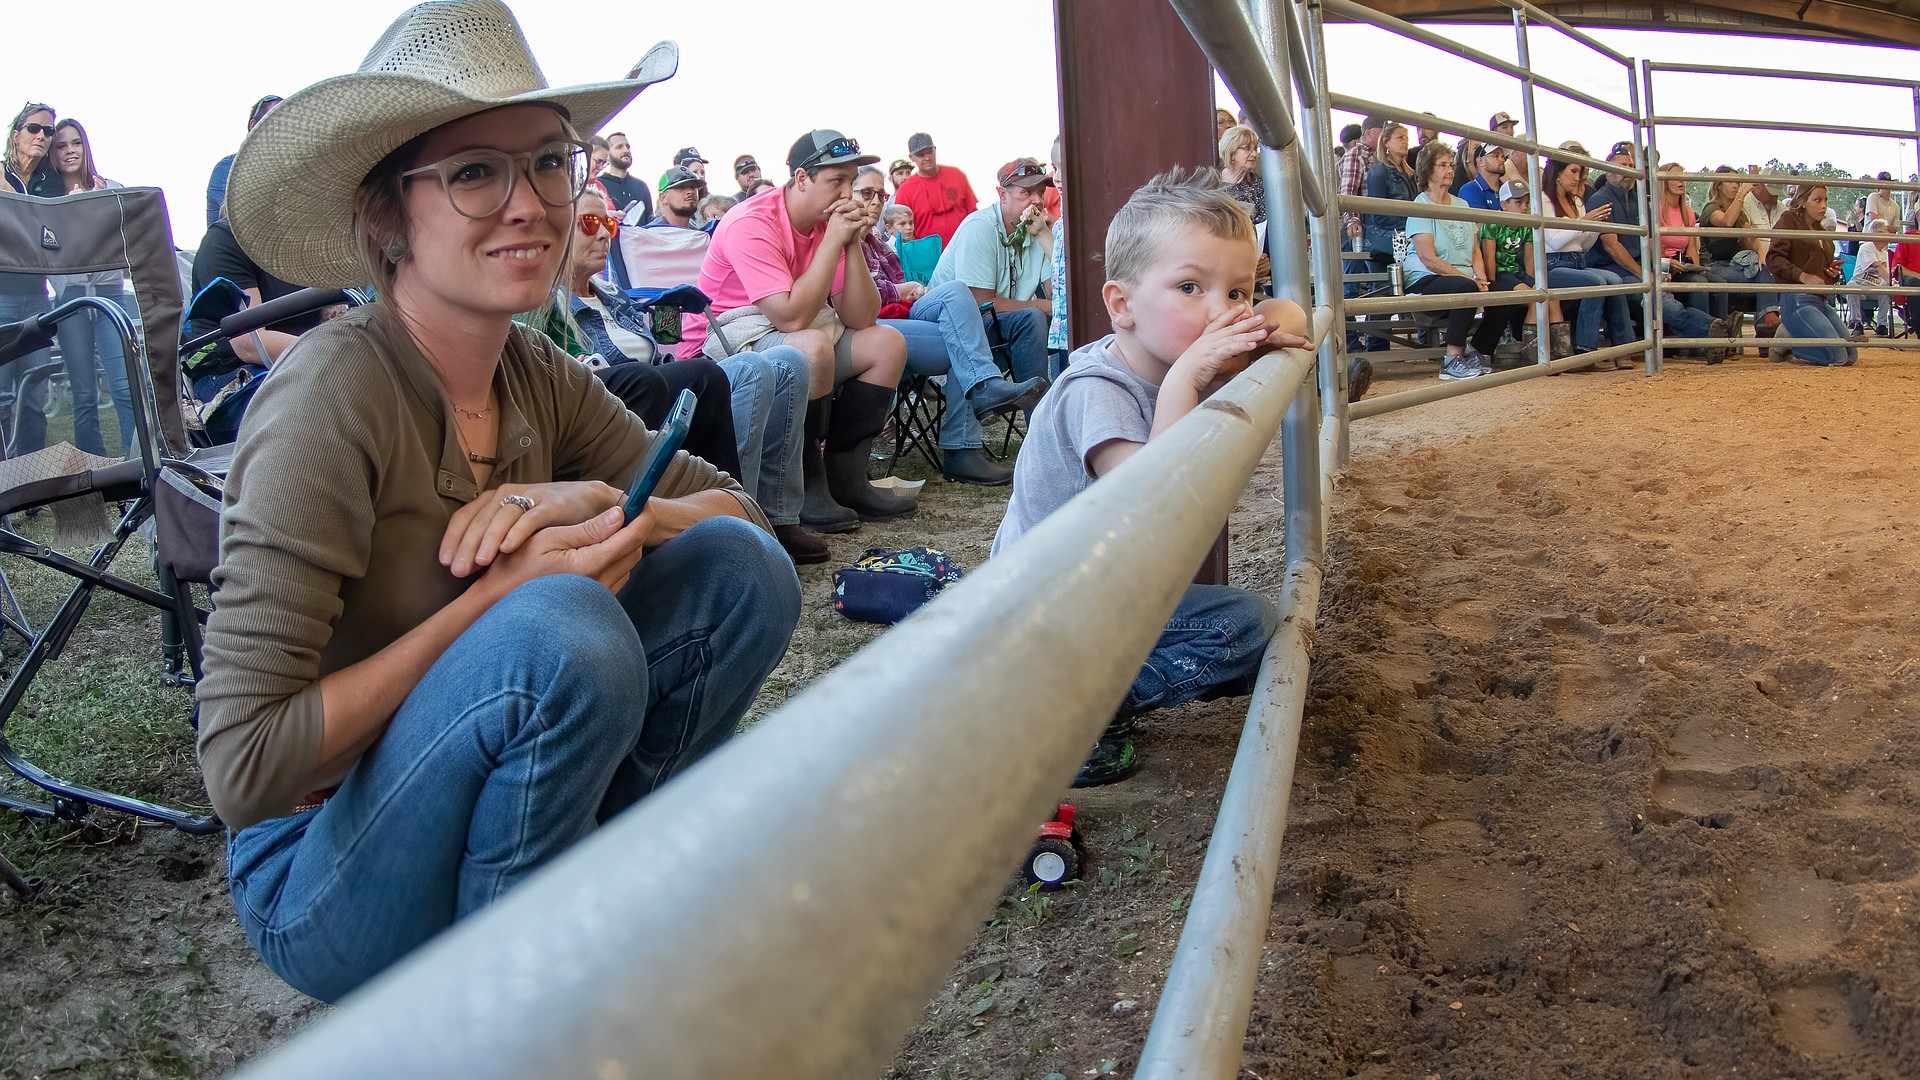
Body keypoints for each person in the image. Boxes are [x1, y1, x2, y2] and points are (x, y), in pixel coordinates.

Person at [201, 0, 801, 1004]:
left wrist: (621, 508)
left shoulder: (536, 372)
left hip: (492, 792)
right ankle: (516, 1014)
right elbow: (246, 769)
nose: (529, 202)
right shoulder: (330, 398)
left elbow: (740, 517)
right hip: (321, 866)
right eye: (475, 171)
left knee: (742, 573)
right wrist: (498, 598)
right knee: (559, 629)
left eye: (548, 161)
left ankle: (594, 910)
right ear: (389, 214)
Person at [993, 168, 1306, 786]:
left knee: (1252, 630)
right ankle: (1069, 712)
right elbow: (1152, 500)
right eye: (1191, 287)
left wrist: (1259, 322)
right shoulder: (1096, 389)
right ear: (1121, 305)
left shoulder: (1164, 353)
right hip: (1044, 614)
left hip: (1105, 597)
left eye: (1238, 292)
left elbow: (1290, 310)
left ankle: (1085, 690)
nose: (1222, 311)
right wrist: (1191, 378)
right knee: (1236, 630)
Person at [681, 128, 915, 529]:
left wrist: (852, 244)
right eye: (836, 181)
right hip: (723, 339)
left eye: (850, 182)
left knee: (887, 345)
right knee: (812, 346)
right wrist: (832, 244)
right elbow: (789, 317)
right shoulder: (750, 221)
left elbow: (862, 318)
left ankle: (846, 480)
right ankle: (807, 487)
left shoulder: (828, 222)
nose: (847, 195)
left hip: (788, 329)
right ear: (802, 179)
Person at [851, 166, 1045, 486]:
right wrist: (901, 289)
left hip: (904, 317)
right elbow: (855, 300)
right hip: (869, 326)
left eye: (881, 195)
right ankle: (964, 440)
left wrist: (910, 290)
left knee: (959, 308)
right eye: (865, 193)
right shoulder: (840, 241)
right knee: (961, 325)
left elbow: (900, 293)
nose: (875, 202)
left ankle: (984, 421)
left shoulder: (880, 247)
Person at [47, 119, 139, 457]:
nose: (70, 151)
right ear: (53, 154)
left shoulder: (112, 188)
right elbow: (52, 255)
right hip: (69, 300)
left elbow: (127, 241)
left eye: (76, 143)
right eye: (61, 146)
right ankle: (94, 469)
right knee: (84, 394)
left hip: (110, 293)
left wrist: (98, 205)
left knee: (123, 386)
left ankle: (138, 469)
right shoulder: (48, 200)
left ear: (86, 148)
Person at [928, 158, 1055, 385]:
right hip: (955, 332)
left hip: (1002, 325)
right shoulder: (981, 227)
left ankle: (1070, 403)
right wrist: (1041, 305)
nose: (1037, 200)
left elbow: (1058, 293)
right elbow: (980, 305)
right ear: (1002, 194)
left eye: (1040, 192)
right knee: (1035, 317)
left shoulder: (1037, 229)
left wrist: (1049, 237)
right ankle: (1036, 411)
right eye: (1026, 193)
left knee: (1065, 321)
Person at [1402, 141, 1521, 380]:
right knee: (1465, 288)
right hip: (1427, 277)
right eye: (1442, 165)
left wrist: (1481, 277)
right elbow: (1428, 257)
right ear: (1428, 170)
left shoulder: (1462, 205)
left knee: (1505, 293)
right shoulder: (1420, 205)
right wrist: (1468, 279)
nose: (1449, 170)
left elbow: (1475, 249)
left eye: (1451, 165)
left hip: (1464, 275)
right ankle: (1451, 359)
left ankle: (1477, 350)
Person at [3, 102, 60, 456]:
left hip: (38, 297)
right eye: (34, 129)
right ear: (16, 133)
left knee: (34, 396)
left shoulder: (50, 183)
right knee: (2, 397)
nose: (42, 136)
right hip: (2, 296)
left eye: (48, 131)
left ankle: (30, 481)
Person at [1542, 155, 1637, 368]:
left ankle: (1623, 347)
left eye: (1580, 173)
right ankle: (1586, 350)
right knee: (1597, 282)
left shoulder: (1576, 202)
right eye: (1573, 172)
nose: (1578, 178)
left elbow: (1582, 245)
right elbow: (1554, 241)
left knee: (1614, 280)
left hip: (1577, 261)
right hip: (1553, 264)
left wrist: (1594, 228)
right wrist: (1585, 222)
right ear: (1558, 174)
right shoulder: (1544, 201)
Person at [1765, 184, 1856, 366]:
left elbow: (1823, 275)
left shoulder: (1822, 233)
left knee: (1851, 355)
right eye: (1817, 200)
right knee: (1837, 357)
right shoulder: (1789, 220)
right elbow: (1773, 259)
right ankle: (1789, 344)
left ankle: (1788, 335)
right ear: (1803, 202)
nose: (1824, 206)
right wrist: (1802, 276)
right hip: (1797, 298)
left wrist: (1832, 273)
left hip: (1820, 300)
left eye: (1825, 200)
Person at [1480, 179, 1570, 359]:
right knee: (1534, 299)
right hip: (1501, 273)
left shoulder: (1526, 225)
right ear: (1504, 204)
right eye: (1518, 202)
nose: (1524, 207)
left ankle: (1561, 352)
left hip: (1516, 272)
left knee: (1551, 297)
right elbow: (1489, 257)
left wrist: (1533, 281)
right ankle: (1533, 354)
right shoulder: (1492, 223)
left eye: (1526, 203)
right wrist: (1493, 285)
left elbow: (1529, 257)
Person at [1700, 166, 1779, 337]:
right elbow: (1726, 222)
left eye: (1737, 182)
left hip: (1736, 265)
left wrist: (1762, 255)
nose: (1735, 186)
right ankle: (1767, 322)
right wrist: (1742, 195)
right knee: (1762, 279)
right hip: (1714, 265)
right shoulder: (1710, 208)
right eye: (1730, 181)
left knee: (1765, 269)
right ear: (1719, 185)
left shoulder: (1741, 213)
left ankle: (1768, 321)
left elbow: (1750, 236)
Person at [1586, 141, 1644, 357]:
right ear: (1608, 172)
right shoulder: (1600, 199)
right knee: (1654, 294)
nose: (1626, 172)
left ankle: (1706, 334)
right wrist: (1644, 273)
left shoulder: (1639, 200)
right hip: (1612, 267)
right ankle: (1708, 331)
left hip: (1634, 267)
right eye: (1621, 167)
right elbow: (1611, 246)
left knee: (1689, 288)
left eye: (1630, 166)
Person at [206, 95, 280, 227]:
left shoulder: (289, 170)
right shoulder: (227, 167)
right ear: (253, 125)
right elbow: (234, 216)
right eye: (273, 120)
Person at [894, 132, 978, 248]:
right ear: (912, 157)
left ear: (935, 150)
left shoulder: (957, 175)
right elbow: (900, 230)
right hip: (928, 257)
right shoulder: (905, 189)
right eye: (921, 154)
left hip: (965, 249)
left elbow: (973, 214)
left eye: (929, 152)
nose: (927, 157)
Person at [1362, 122, 1415, 269]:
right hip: (1385, 242)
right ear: (1386, 143)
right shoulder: (1379, 171)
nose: (1405, 142)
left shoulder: (1409, 173)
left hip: (1400, 238)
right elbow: (1379, 214)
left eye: (1406, 138)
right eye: (1400, 138)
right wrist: (1410, 228)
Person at [1846, 216, 1894, 336]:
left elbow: (1885, 277)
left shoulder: (1885, 253)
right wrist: (1890, 282)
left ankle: (1882, 325)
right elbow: (1879, 268)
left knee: (1886, 288)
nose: (1889, 234)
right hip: (1861, 285)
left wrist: (1892, 286)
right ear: (1879, 233)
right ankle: (1857, 323)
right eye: (1886, 231)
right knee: (1851, 287)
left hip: (1875, 287)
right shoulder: (1867, 247)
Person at [594, 131, 652, 222]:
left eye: (627, 146)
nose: (626, 150)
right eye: (619, 147)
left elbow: (650, 221)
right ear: (607, 155)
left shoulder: (641, 186)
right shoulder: (597, 185)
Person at [1218, 124, 1265, 224]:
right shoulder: (1212, 182)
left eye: (1255, 149)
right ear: (1231, 151)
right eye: (1247, 148)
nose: (1254, 154)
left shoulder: (1258, 184)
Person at [1457, 142, 1507, 212]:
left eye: (1502, 156)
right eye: (1495, 156)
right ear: (1480, 161)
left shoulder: (1507, 188)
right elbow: (1478, 221)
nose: (1502, 160)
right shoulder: (1469, 190)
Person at [650, 165, 704, 229]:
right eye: (681, 187)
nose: (690, 191)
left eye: (694, 187)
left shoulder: (700, 234)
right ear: (663, 198)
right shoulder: (650, 234)